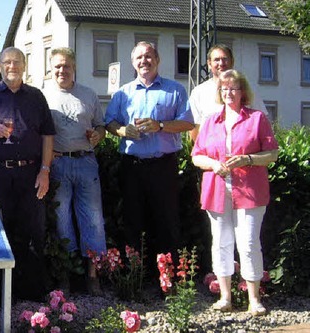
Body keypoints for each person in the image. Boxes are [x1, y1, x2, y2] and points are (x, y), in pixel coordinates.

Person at [0, 47, 56, 300]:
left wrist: (45, 171)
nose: (12, 66)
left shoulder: (36, 97)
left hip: (31, 173)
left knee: (32, 232)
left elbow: (48, 135)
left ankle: (31, 291)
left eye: (17, 62)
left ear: (24, 65)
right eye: (7, 62)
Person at [191, 69, 278, 316]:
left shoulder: (257, 118)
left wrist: (248, 159)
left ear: (243, 92)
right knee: (221, 243)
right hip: (217, 190)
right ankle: (225, 297)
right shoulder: (210, 121)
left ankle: (254, 299)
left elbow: (272, 154)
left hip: (250, 190)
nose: (228, 93)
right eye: (224, 88)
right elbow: (197, 156)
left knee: (249, 243)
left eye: (233, 88)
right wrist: (214, 164)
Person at [104, 41, 194, 258]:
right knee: (132, 221)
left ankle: (167, 281)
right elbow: (109, 123)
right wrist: (124, 131)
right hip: (132, 167)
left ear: (158, 59)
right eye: (139, 58)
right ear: (133, 63)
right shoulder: (122, 93)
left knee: (167, 222)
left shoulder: (175, 90)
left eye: (149, 56)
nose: (144, 61)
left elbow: (188, 123)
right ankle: (135, 279)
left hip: (163, 165)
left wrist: (160, 125)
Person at [42, 47, 107, 294]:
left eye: (66, 66)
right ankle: (66, 274)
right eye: (57, 66)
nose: (62, 70)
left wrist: (97, 135)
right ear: (51, 68)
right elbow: (40, 132)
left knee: (93, 219)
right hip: (58, 164)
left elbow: (101, 126)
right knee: (61, 221)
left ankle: (92, 275)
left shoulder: (88, 95)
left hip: (85, 161)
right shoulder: (43, 95)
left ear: (74, 67)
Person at [189, 44, 268, 141]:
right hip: (211, 152)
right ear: (209, 64)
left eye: (225, 59)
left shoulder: (247, 88)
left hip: (243, 152)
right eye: (216, 60)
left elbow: (263, 122)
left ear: (232, 62)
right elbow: (194, 128)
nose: (221, 63)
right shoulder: (199, 92)